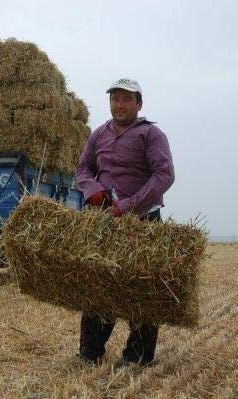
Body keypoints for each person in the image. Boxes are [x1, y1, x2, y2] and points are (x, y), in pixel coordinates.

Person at [74, 78, 175, 368]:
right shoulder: (99, 134)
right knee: (99, 283)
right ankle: (90, 352)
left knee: (142, 286)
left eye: (126, 99)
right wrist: (93, 191)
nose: (119, 104)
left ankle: (138, 356)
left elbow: (164, 176)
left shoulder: (151, 135)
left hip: (143, 220)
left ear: (138, 104)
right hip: (106, 222)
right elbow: (83, 167)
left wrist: (128, 206)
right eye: (115, 98)